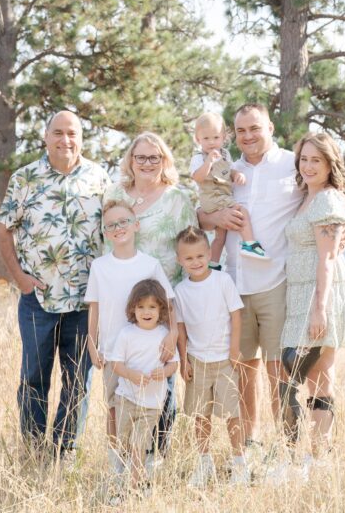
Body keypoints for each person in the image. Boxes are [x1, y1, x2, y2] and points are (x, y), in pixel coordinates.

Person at [198, 103, 345, 454]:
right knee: (241, 373)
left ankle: (288, 450)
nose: (248, 136)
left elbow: (332, 193)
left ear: (270, 128)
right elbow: (202, 215)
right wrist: (217, 216)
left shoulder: (292, 165)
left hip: (276, 285)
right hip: (235, 286)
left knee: (280, 374)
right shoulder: (225, 168)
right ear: (232, 134)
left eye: (255, 128)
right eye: (240, 131)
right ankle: (246, 449)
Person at [0, 109, 110, 456]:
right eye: (58, 133)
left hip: (85, 304)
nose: (65, 140)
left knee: (78, 383)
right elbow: (3, 229)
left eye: (72, 133)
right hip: (38, 301)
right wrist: (19, 278)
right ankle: (32, 449)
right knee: (34, 378)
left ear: (81, 138)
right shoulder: (25, 179)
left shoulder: (99, 178)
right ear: (46, 137)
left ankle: (64, 452)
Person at [276, 132, 345, 478]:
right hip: (299, 295)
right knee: (310, 375)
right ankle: (311, 457)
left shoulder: (328, 200)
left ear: (330, 164)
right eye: (304, 159)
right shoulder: (305, 197)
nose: (309, 166)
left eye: (317, 160)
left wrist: (319, 308)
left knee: (310, 376)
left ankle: (317, 457)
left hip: (321, 296)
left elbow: (327, 259)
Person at [103, 131, 197, 466]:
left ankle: (155, 456)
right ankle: (121, 458)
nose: (146, 163)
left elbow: (190, 248)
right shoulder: (114, 194)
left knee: (161, 379)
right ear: (130, 160)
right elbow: (104, 240)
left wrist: (175, 322)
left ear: (165, 161)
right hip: (120, 304)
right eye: (140, 157)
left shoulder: (176, 199)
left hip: (162, 306)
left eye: (154, 158)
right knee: (119, 383)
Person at [85, 200, 175, 480]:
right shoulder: (100, 267)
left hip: (149, 353)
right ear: (105, 232)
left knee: (149, 408)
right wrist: (92, 343)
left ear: (136, 225)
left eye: (124, 221)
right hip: (115, 354)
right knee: (115, 409)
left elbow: (168, 302)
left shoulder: (150, 264)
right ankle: (117, 466)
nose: (118, 228)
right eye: (111, 225)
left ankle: (143, 463)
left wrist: (173, 334)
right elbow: (95, 307)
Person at [174, 226, 249, 488]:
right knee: (200, 415)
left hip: (225, 360)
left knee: (232, 414)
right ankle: (203, 464)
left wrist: (234, 349)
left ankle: (240, 464)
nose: (195, 262)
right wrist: (184, 361)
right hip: (198, 361)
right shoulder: (180, 291)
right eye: (188, 258)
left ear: (208, 254)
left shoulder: (222, 281)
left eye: (200, 256)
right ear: (179, 260)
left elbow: (236, 315)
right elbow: (181, 331)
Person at [109, 279, 178, 493]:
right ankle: (121, 478)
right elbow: (116, 364)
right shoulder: (127, 334)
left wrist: (164, 372)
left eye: (152, 307)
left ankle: (134, 486)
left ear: (161, 310)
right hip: (126, 399)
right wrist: (131, 375)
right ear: (133, 309)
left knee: (139, 445)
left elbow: (174, 364)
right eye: (141, 307)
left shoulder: (163, 335)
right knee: (125, 441)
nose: (146, 312)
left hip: (152, 404)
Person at [190, 112, 267, 266]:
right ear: (198, 139)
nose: (211, 142)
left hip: (223, 195)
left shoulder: (225, 155)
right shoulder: (199, 157)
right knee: (241, 211)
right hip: (212, 197)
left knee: (221, 237)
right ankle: (250, 243)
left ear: (224, 137)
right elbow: (197, 177)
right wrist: (208, 163)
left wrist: (237, 174)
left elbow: (228, 171)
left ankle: (213, 264)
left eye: (216, 138)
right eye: (206, 138)